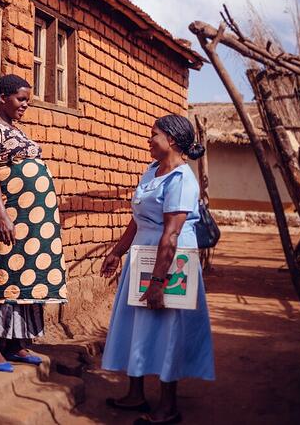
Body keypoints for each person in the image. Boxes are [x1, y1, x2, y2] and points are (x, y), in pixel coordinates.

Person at [99, 114, 214, 424]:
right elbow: (138, 219)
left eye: (154, 135)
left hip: (171, 260)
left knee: (167, 328)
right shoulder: (152, 171)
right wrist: (117, 252)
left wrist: (158, 281)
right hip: (142, 256)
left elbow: (171, 235)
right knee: (136, 322)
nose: (149, 140)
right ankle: (135, 393)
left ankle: (168, 405)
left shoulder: (181, 179)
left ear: (172, 141)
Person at [0, 74, 68, 373]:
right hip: (8, 218)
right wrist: (2, 216)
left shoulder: (14, 130)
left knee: (24, 279)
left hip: (31, 225)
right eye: (21, 99)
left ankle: (16, 343)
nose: (25, 105)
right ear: (3, 97)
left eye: (27, 100)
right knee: (2, 276)